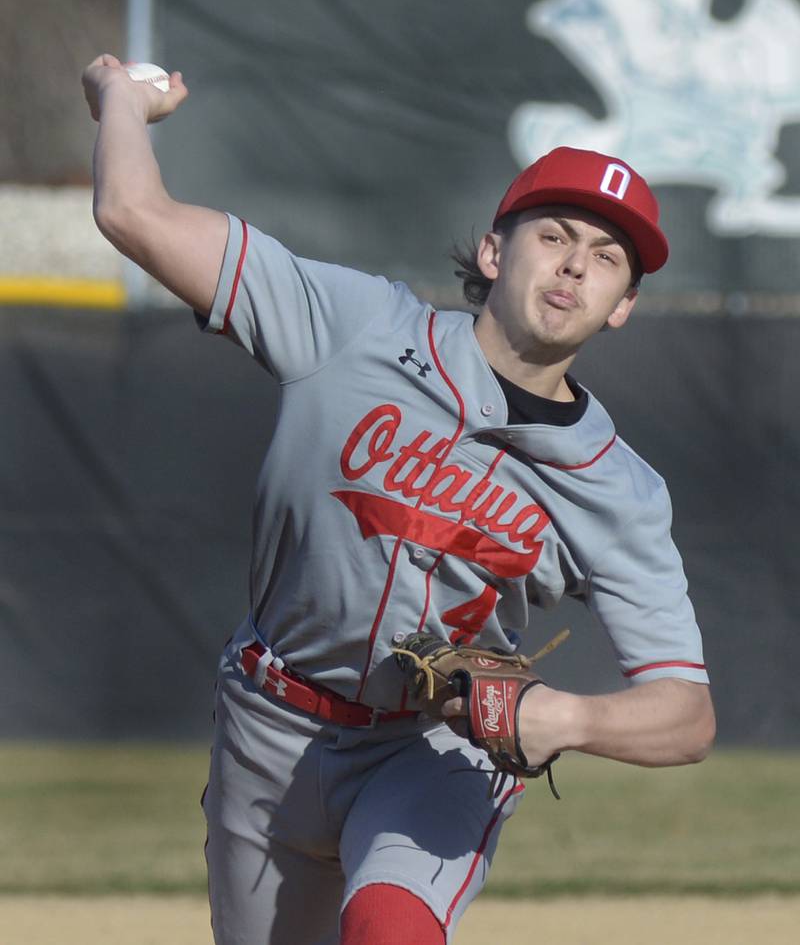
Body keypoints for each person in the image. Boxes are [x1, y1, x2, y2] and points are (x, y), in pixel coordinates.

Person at [82, 54, 715, 945]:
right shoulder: (351, 326)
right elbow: (131, 213)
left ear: (623, 305)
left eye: (607, 257)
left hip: (435, 746)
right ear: (495, 250)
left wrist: (565, 717)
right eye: (555, 235)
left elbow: (685, 712)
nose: (576, 265)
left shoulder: (617, 486)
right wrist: (119, 101)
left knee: (392, 927)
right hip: (270, 723)